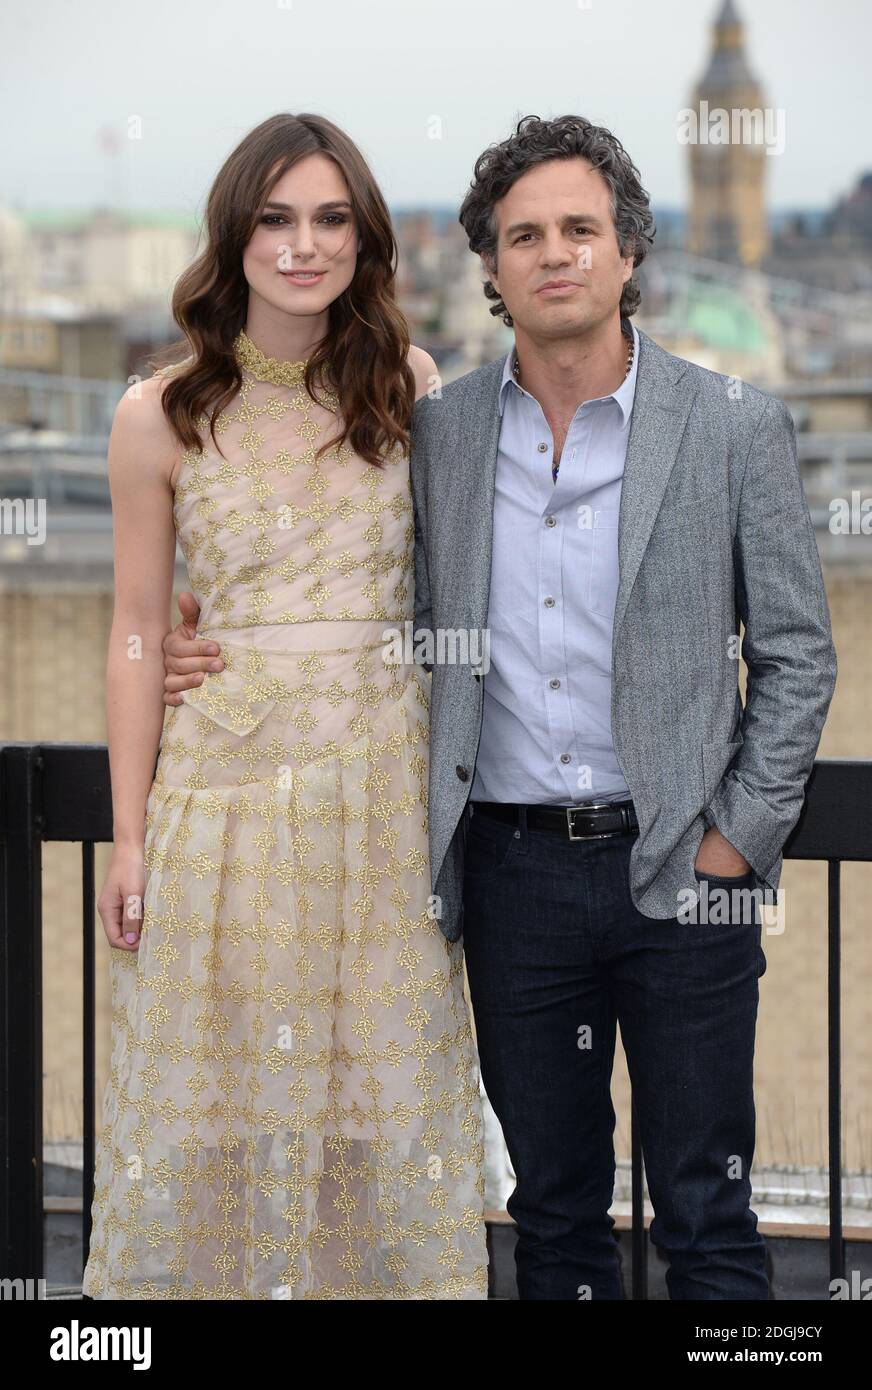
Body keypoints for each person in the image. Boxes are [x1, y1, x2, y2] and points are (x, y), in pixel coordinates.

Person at [164, 114, 838, 1301]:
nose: (553, 253)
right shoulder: (441, 428)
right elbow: (351, 582)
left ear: (628, 250)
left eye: (579, 228)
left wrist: (737, 839)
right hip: (513, 877)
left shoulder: (731, 426)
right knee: (554, 1216)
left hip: (689, 863)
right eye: (522, 235)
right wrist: (198, 633)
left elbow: (794, 655)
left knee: (707, 1213)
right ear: (489, 266)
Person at [83, 112, 488, 1300]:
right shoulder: (156, 412)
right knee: (219, 1098)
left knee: (377, 1102)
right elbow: (137, 625)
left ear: (364, 242)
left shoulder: (408, 388)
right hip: (226, 803)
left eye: (329, 220)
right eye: (274, 218)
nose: (301, 246)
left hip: (382, 804)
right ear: (234, 233)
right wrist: (130, 836)